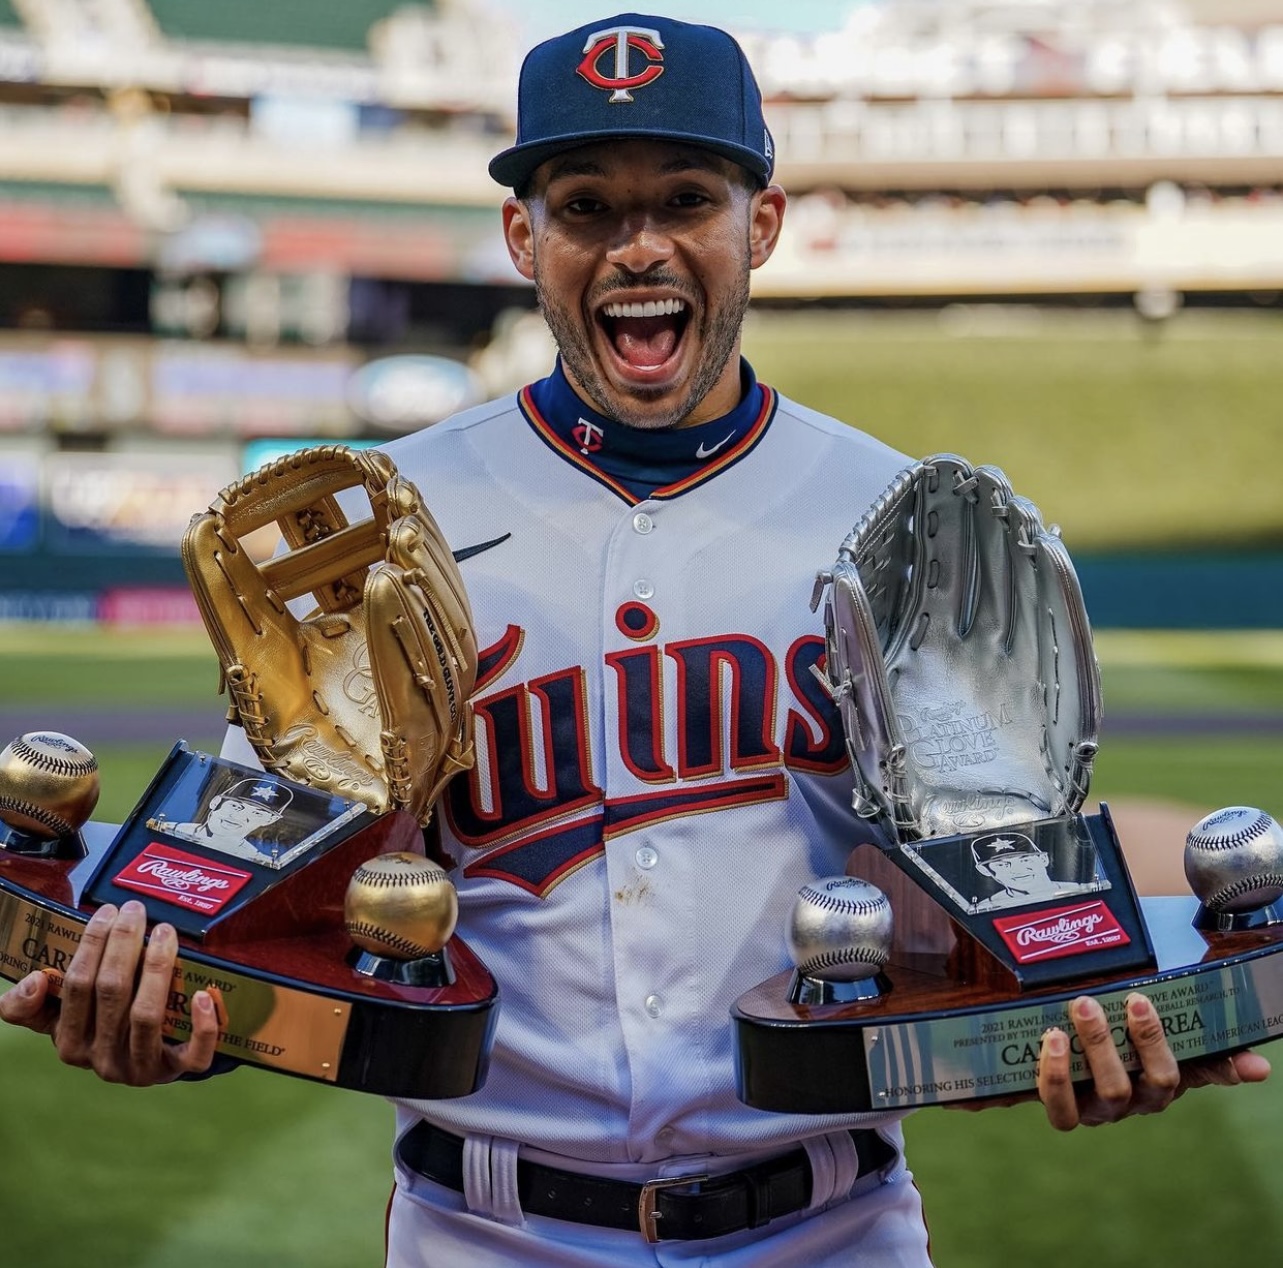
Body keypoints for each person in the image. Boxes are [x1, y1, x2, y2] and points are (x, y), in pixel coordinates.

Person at [0, 13, 1270, 1265]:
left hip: (826, 1228)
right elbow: (281, 881)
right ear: (522, 236)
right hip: (479, 1229)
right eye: (586, 207)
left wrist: (1050, 1026)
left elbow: (976, 903)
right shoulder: (381, 519)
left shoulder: (901, 517)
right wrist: (179, 1003)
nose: (638, 246)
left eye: (684, 198)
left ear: (759, 224)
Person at [155, 777, 293, 863]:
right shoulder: (163, 829)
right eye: (235, 806)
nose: (238, 817)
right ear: (215, 802)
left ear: (270, 821)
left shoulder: (263, 861)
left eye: (257, 813)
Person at [970, 832, 1091, 910]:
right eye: (1003, 865)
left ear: (1043, 859)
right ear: (984, 870)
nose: (1017, 870)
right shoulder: (984, 909)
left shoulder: (1085, 892)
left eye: (1025, 860)